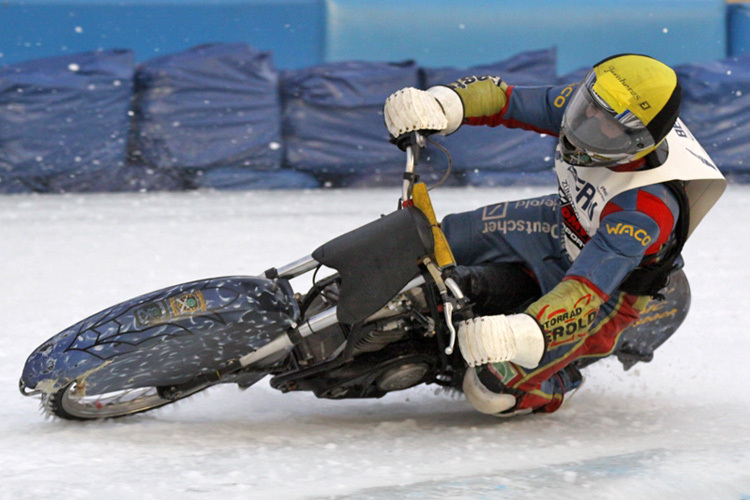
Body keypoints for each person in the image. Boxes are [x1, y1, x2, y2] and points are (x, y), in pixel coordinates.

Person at [383, 53, 726, 416]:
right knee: (440, 237)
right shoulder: (589, 106)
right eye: (589, 106)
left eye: (606, 123)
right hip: (559, 225)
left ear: (637, 141)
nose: (585, 125)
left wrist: (521, 333)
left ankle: (562, 379)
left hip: (607, 291)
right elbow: (506, 99)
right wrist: (442, 103)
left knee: (489, 390)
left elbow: (584, 290)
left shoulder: (644, 208)